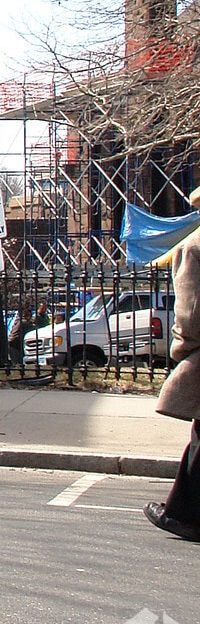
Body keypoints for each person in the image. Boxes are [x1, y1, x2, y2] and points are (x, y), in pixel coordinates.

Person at [146, 196, 200, 542]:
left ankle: (183, 514)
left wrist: (182, 349)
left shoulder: (193, 247)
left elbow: (192, 314)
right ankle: (181, 511)